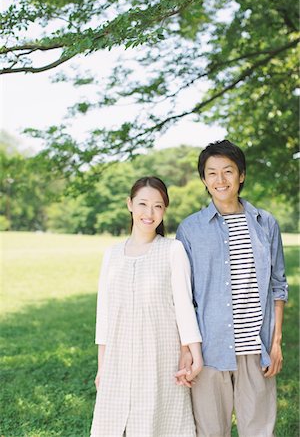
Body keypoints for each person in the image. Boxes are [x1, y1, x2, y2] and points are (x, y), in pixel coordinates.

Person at [175, 140, 288, 437]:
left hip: (256, 347)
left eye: (228, 171)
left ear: (242, 175)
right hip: (210, 350)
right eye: (212, 173)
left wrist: (276, 343)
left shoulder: (266, 224)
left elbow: (278, 286)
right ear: (203, 180)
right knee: (211, 432)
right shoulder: (190, 229)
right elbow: (183, 297)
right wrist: (186, 349)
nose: (220, 180)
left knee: (259, 431)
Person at [90, 176, 203, 437]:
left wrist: (194, 353)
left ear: (165, 210)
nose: (149, 213)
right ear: (129, 204)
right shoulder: (112, 255)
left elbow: (184, 306)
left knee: (159, 426)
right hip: (118, 360)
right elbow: (104, 316)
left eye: (158, 206)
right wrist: (102, 367)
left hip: (160, 356)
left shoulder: (173, 250)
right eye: (142, 204)